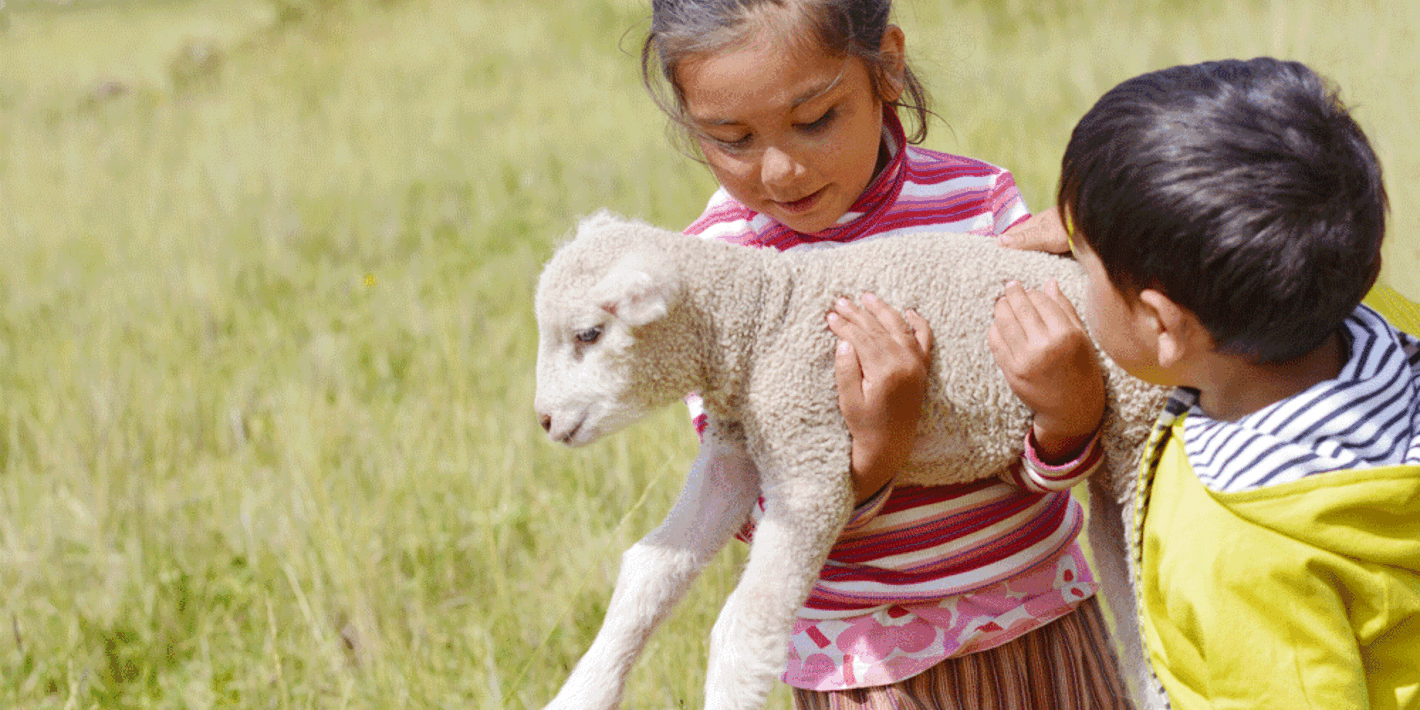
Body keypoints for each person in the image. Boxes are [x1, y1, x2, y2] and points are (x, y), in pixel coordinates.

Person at [640, 1, 1130, 707]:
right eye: (732, 138)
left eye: (815, 120)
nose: (779, 171)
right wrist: (877, 446)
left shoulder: (976, 203)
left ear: (887, 67)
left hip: (1046, 617)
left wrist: (1069, 414)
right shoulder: (712, 278)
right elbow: (748, 513)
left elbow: (1032, 443)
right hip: (869, 667)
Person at [1054, 57, 1420, 709]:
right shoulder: (1383, 323)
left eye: (1088, 269)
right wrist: (1119, 230)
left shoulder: (1241, 551)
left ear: (1167, 325)